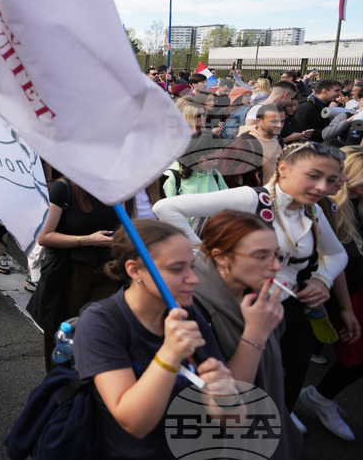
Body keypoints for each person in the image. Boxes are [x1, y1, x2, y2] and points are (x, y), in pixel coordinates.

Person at [153, 142, 348, 423]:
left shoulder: (312, 211)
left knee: (288, 382)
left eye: (330, 180)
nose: (321, 187)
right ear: (283, 169)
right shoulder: (252, 199)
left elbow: (336, 253)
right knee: (242, 390)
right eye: (313, 175)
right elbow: (166, 207)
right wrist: (207, 256)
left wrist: (322, 279)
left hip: (292, 311)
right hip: (240, 309)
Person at [73, 220, 234, 458]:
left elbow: (229, 418)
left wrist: (224, 396)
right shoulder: (100, 323)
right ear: (135, 270)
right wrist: (169, 354)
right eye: (177, 269)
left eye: (192, 266)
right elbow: (134, 423)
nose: (193, 279)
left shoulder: (187, 314)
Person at [193, 210, 301, 459]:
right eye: (261, 256)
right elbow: (225, 403)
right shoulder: (192, 307)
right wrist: (255, 332)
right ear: (221, 257)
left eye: (276, 255)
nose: (275, 266)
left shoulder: (251, 289)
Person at [32, 177, 126, 370]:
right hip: (68, 274)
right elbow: (44, 237)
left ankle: (89, 386)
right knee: (62, 339)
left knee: (97, 330)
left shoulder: (117, 188)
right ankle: (58, 390)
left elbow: (123, 227)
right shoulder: (63, 188)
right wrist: (86, 240)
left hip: (107, 272)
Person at [302, 148, 363, 441]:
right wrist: (345, 307)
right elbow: (333, 260)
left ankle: (317, 397)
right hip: (332, 295)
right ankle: (295, 402)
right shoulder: (326, 208)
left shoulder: (353, 205)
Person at [162, 131, 228, 199]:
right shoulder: (172, 176)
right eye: (210, 159)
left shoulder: (215, 175)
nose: (215, 163)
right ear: (195, 156)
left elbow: (228, 201)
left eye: (218, 158)